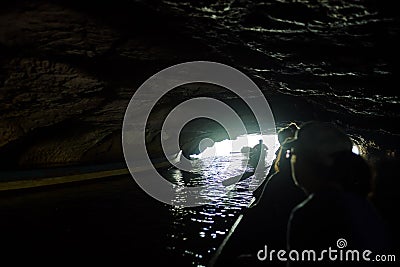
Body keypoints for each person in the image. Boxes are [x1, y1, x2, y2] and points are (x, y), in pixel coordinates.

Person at [286, 122, 389, 266]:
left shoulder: (313, 213)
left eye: (292, 153)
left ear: (310, 160)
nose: (290, 160)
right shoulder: (359, 201)